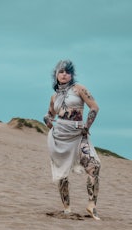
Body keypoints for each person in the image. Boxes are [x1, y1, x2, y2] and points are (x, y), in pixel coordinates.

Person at [44, 60, 101, 220]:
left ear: (71, 75)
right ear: (56, 74)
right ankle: (67, 208)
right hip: (59, 136)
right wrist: (47, 119)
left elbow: (94, 107)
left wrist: (87, 126)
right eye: (61, 72)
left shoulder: (79, 89)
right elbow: (50, 115)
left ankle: (91, 205)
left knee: (94, 166)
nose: (64, 74)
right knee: (62, 174)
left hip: (78, 134)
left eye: (68, 72)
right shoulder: (54, 97)